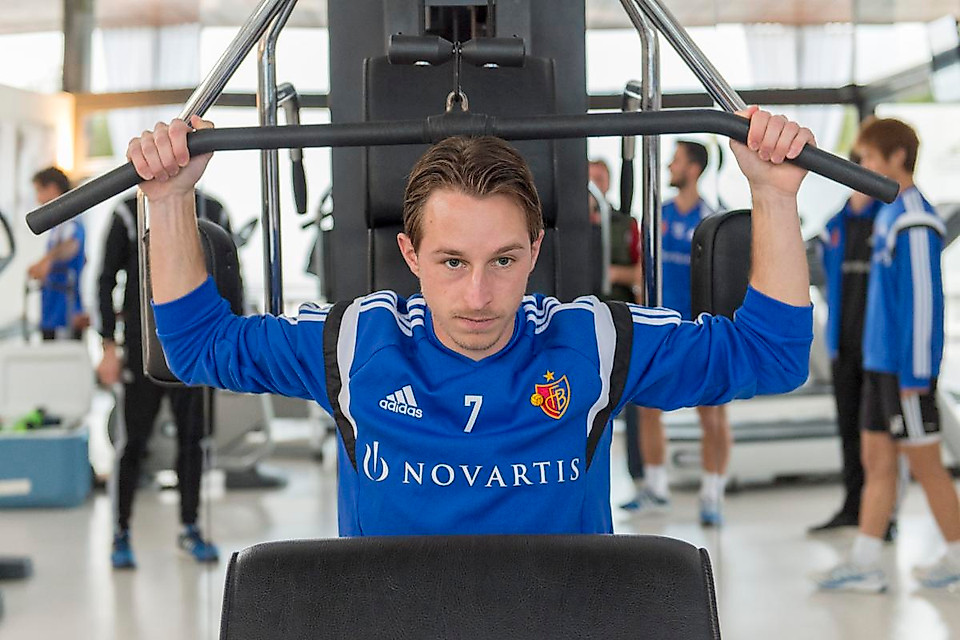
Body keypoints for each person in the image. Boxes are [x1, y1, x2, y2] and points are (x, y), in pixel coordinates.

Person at [129, 107, 813, 536]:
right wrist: (168, 200)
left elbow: (772, 356)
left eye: (504, 260)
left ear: (535, 251)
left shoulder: (594, 342)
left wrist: (773, 194)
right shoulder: (356, 342)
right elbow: (196, 347)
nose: (480, 295)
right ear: (411, 255)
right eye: (452, 261)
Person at [816, 118, 960, 592]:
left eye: (869, 159)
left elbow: (923, 303)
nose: (862, 168)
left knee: (926, 466)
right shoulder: (888, 213)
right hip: (878, 366)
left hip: (905, 373)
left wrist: (916, 375)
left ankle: (958, 557)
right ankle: (864, 562)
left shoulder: (915, 218)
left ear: (897, 158)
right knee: (876, 461)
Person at [98, 191, 229, 568]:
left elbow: (228, 276)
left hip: (195, 348)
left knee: (194, 439)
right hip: (142, 349)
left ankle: (190, 527)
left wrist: (228, 343)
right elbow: (105, 280)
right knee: (132, 442)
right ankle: (120, 531)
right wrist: (108, 345)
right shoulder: (128, 212)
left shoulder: (212, 210)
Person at [622, 141, 731, 527]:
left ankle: (712, 494)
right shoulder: (658, 216)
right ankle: (655, 488)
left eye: (676, 160)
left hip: (699, 332)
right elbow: (641, 272)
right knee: (648, 409)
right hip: (659, 331)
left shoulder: (712, 219)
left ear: (694, 169)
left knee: (712, 415)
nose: (669, 165)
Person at [808, 154, 885, 535]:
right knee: (849, 431)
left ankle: (883, 515)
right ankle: (853, 507)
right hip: (843, 344)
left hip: (878, 351)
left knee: (879, 442)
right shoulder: (835, 225)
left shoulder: (886, 219)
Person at [588, 159, 646, 501]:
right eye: (590, 178)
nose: (595, 184)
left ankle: (642, 479)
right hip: (583, 328)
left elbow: (640, 273)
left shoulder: (626, 225)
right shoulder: (568, 224)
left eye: (601, 178)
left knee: (634, 403)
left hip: (619, 322)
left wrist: (609, 273)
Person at [28, 167, 86, 341]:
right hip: (51, 313)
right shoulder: (58, 226)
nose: (38, 199)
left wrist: (46, 261)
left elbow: (72, 246)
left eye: (39, 191)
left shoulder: (71, 219)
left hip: (65, 315)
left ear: (52, 188)